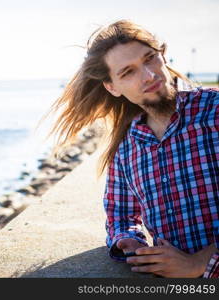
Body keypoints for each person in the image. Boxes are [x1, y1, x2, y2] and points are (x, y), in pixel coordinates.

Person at [40, 19, 219, 278]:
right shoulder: (127, 146)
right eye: (128, 72)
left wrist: (201, 262)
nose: (148, 75)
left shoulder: (214, 112)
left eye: (149, 59)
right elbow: (120, 217)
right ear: (112, 87)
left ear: (163, 56)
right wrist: (129, 242)